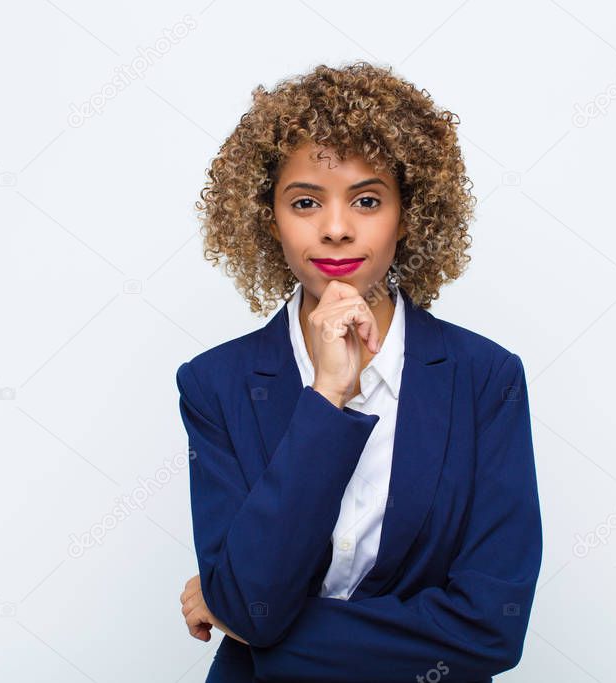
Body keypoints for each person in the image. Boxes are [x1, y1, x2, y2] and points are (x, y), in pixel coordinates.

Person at [176, 61, 542, 682]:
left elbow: (491, 628)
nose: (337, 227)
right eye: (305, 202)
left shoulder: (486, 378)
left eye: (368, 200)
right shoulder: (216, 383)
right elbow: (252, 601)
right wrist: (326, 396)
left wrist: (261, 634)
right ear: (269, 217)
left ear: (409, 214)